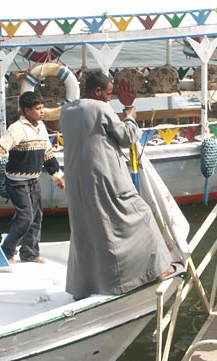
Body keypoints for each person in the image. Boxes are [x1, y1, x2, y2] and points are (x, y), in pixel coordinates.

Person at [59, 71, 178, 298]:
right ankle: (159, 269)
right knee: (141, 214)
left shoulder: (66, 111)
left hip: (76, 181)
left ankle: (84, 287)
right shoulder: (99, 108)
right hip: (104, 178)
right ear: (97, 92)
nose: (108, 99)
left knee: (87, 230)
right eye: (107, 94)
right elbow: (126, 136)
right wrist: (130, 113)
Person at [0, 91, 65, 263]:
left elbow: (47, 154)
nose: (42, 111)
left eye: (42, 108)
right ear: (27, 111)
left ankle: (30, 253)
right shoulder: (16, 129)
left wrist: (57, 176)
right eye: (38, 108)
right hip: (16, 182)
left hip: (33, 181)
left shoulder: (41, 127)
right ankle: (7, 251)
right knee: (25, 217)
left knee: (36, 217)